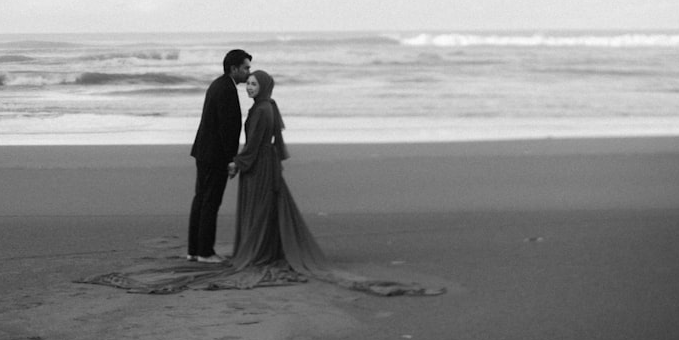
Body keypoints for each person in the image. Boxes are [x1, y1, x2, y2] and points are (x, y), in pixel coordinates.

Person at [80, 69, 444, 297]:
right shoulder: (266, 106)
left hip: (257, 166)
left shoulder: (262, 110)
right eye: (248, 82)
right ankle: (262, 247)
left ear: (263, 85)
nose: (250, 87)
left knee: (259, 210)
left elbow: (254, 145)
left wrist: (237, 164)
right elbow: (265, 143)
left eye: (254, 83)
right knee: (266, 210)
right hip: (264, 165)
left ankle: (258, 251)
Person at [186, 49, 251, 263]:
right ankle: (205, 252)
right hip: (215, 155)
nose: (248, 73)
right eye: (245, 68)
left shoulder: (218, 84)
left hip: (204, 151)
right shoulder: (226, 89)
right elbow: (227, 129)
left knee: (201, 199)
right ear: (234, 69)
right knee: (210, 202)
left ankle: (194, 250)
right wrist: (231, 159)